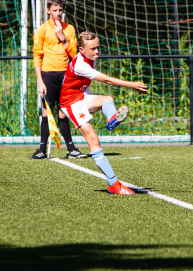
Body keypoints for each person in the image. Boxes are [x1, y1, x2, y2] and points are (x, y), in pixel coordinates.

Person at [60, 31, 148, 195]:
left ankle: (112, 119)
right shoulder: (81, 64)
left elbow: (69, 49)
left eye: (98, 47)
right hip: (71, 103)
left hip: (80, 96)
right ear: (82, 49)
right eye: (92, 48)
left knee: (107, 98)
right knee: (94, 141)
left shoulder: (89, 57)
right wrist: (132, 85)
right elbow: (107, 80)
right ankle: (113, 184)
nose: (97, 51)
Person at [29, 0, 87, 160]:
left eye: (60, 10)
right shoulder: (41, 30)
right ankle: (41, 149)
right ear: (48, 10)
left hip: (65, 75)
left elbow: (74, 54)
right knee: (48, 112)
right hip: (48, 75)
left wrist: (62, 37)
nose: (58, 13)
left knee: (64, 113)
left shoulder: (69, 29)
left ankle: (71, 149)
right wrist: (40, 81)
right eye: (55, 10)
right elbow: (37, 56)